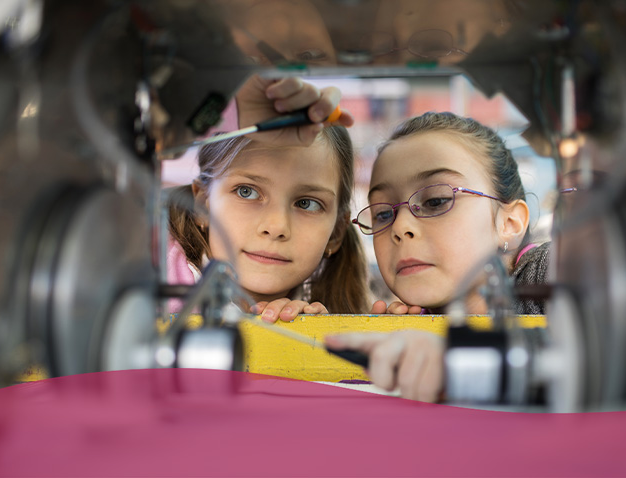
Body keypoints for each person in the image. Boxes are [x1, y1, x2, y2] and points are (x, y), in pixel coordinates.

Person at [327, 111, 551, 402]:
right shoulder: (397, 321)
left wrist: (461, 357)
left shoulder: (551, 272)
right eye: (383, 213)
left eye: (435, 201)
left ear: (509, 224)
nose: (400, 227)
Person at [166, 75, 370, 322]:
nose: (276, 227)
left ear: (336, 232)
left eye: (307, 203)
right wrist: (230, 112)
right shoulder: (151, 269)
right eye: (246, 191)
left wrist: (310, 340)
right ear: (201, 203)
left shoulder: (326, 317)